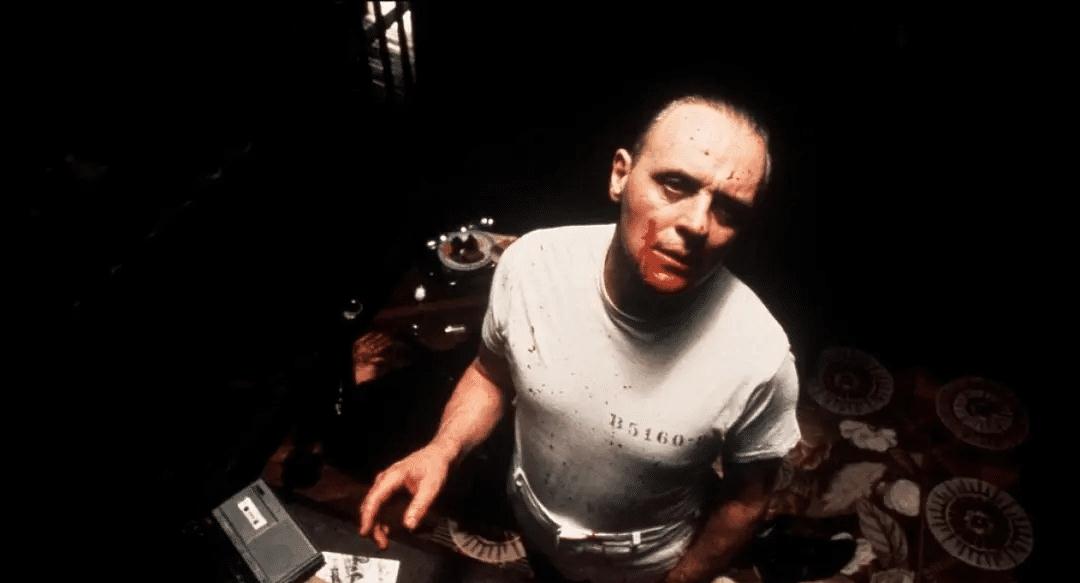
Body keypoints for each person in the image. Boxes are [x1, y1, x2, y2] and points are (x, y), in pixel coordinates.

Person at [359, 94, 815, 583]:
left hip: (645, 566)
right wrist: (442, 448)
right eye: (675, 184)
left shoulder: (760, 358)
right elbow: (490, 373)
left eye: (728, 210)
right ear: (621, 175)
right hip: (532, 522)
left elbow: (746, 501)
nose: (697, 224)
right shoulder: (532, 265)